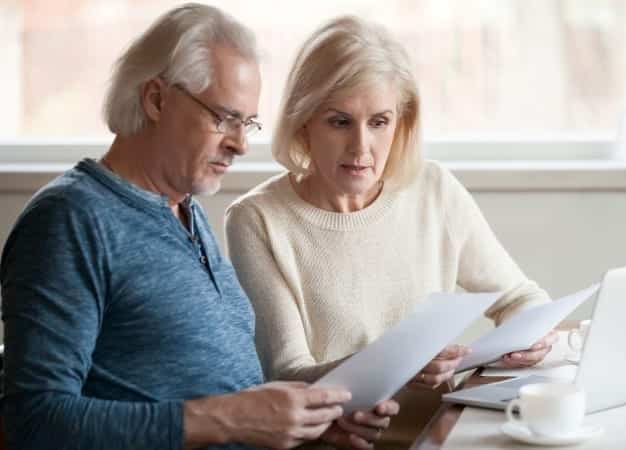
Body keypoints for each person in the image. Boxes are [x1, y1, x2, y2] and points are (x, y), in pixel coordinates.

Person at [0, 5, 397, 450]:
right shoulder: (70, 220)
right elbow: (33, 422)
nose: (241, 144)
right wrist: (227, 419)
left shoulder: (185, 210)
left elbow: (213, 395)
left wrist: (309, 421)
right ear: (156, 99)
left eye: (247, 123)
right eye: (224, 117)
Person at [225, 15, 558, 448]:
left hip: (443, 435)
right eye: (340, 122)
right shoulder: (257, 219)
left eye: (379, 122)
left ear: (401, 122)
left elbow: (522, 298)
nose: (361, 147)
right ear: (304, 121)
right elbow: (288, 375)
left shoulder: (434, 189)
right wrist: (397, 363)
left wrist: (531, 336)